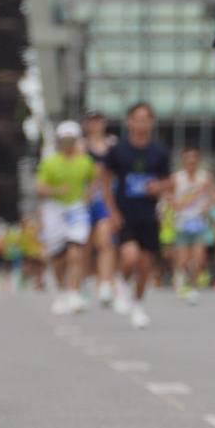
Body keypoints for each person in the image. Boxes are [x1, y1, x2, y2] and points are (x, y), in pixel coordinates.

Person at [98, 103, 172, 328]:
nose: (141, 124)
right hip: (125, 214)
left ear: (151, 122)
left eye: (145, 119)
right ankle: (120, 283)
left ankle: (138, 305)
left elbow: (170, 181)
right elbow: (105, 180)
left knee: (145, 265)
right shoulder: (118, 150)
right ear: (129, 122)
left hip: (149, 215)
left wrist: (158, 187)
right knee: (130, 257)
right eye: (137, 119)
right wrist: (112, 212)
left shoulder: (159, 151)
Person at [38, 120, 96, 313]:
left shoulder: (85, 161)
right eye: (65, 141)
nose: (68, 145)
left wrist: (89, 195)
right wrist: (56, 190)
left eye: (72, 140)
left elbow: (95, 178)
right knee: (58, 255)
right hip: (55, 209)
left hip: (76, 208)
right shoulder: (50, 162)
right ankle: (60, 290)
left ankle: (73, 290)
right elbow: (40, 188)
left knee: (75, 249)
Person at [168, 145, 215, 296]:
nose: (191, 161)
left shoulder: (204, 178)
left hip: (199, 222)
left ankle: (194, 287)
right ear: (183, 161)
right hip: (182, 222)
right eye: (188, 158)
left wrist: (208, 204)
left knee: (198, 258)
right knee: (183, 261)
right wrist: (175, 204)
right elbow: (168, 196)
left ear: (198, 160)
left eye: (194, 158)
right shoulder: (177, 178)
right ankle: (183, 279)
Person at [82, 111, 119, 305]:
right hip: (86, 198)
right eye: (92, 121)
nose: (96, 124)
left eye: (99, 120)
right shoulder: (81, 146)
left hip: (106, 198)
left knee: (105, 241)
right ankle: (84, 279)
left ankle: (105, 281)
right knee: (85, 244)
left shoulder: (113, 144)